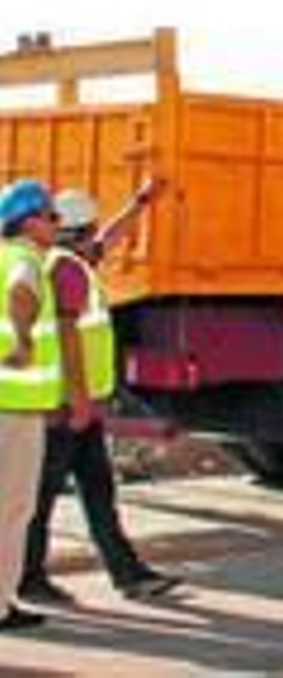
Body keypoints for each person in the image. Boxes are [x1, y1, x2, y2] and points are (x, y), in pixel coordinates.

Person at [20, 182, 179, 604]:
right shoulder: (65, 270)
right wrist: (79, 401)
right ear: (80, 230)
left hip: (77, 406)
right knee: (42, 498)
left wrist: (140, 204)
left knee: (95, 491)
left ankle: (128, 574)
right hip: (65, 407)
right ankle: (27, 578)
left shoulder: (69, 261)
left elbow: (110, 237)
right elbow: (68, 339)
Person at [0, 180, 63, 632]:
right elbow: (21, 293)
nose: (56, 225)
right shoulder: (25, 260)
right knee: (13, 508)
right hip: (15, 406)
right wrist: (21, 339)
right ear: (29, 220)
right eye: (51, 216)